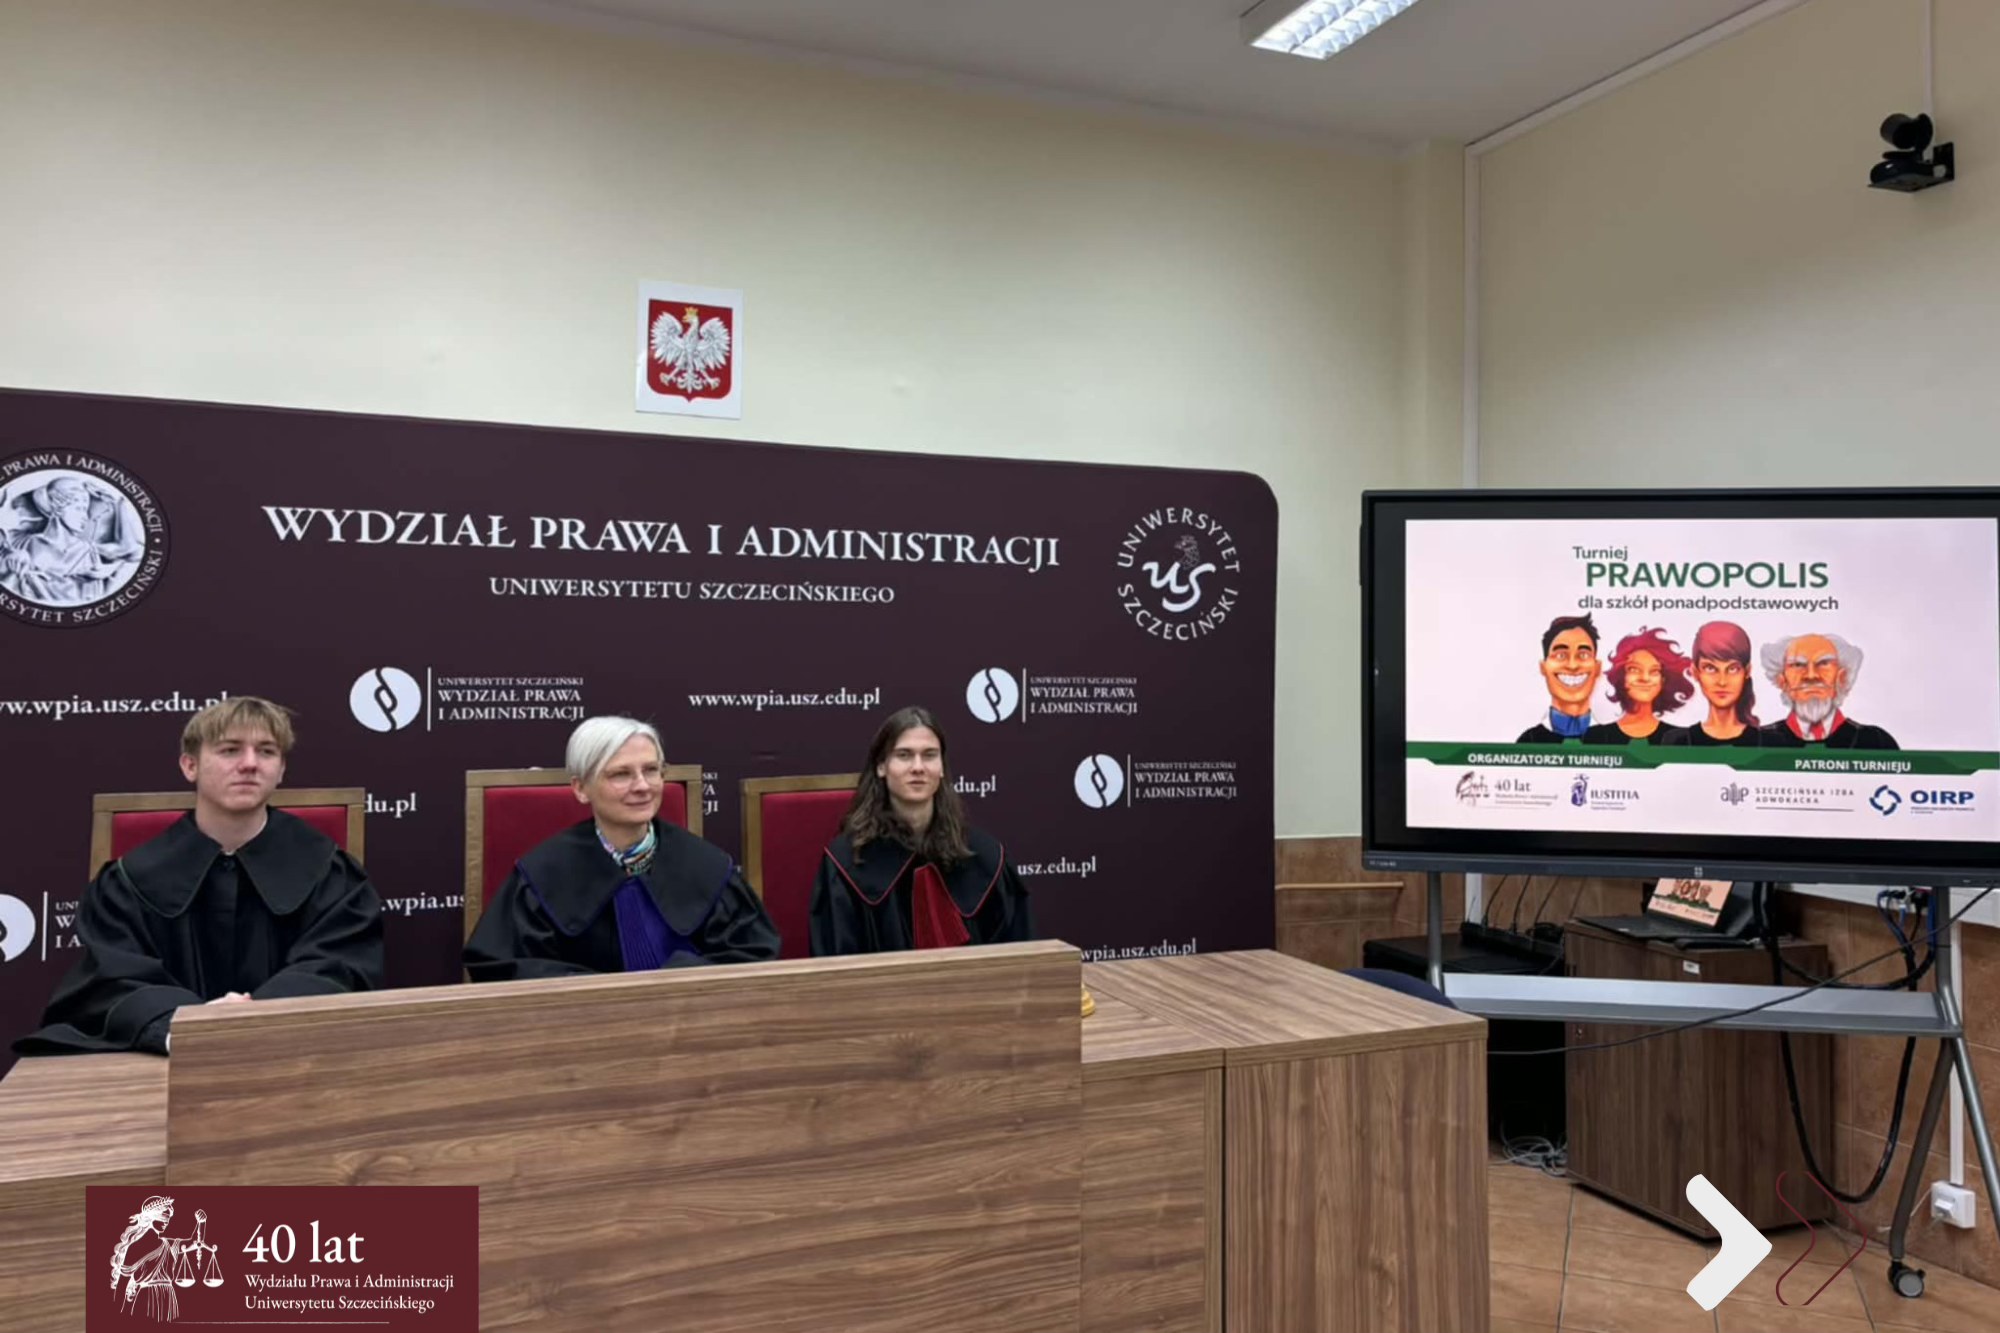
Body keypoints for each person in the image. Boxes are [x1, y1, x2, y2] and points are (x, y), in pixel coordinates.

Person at [14, 698, 383, 1057]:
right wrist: (188, 1026)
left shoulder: (330, 872)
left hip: (294, 1058)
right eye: (230, 750)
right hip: (160, 1066)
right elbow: (113, 979)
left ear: (281, 769)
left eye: (267, 751)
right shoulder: (128, 881)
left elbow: (339, 966)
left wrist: (256, 1015)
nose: (250, 764)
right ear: (190, 765)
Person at [464, 716, 778, 979]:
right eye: (621, 774)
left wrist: (676, 980)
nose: (642, 786)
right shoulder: (542, 875)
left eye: (651, 770)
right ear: (581, 788)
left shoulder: (707, 866)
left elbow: (753, 956)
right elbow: (502, 966)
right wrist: (598, 994)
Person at [812, 705, 1033, 955]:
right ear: (881, 766)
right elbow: (835, 966)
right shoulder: (845, 864)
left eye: (929, 755)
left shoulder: (986, 858)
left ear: (941, 767)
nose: (918, 767)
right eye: (904, 755)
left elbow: (1021, 958)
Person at [1756, 632, 1899, 749]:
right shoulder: (1760, 742)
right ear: (1782, 680)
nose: (1811, 675)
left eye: (1824, 663)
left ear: (1842, 677)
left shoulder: (1876, 742)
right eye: (1798, 665)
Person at [1660, 620, 1762, 746]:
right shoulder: (1677, 741)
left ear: (1747, 671)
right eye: (1710, 668)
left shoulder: (1770, 741)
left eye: (1732, 669)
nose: (1722, 681)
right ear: (1695, 672)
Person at [1583, 627, 1693, 745]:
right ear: (1622, 675)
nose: (1644, 678)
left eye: (1654, 671)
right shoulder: (1593, 737)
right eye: (1634, 669)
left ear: (1663, 679)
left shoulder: (1681, 739)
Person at [1516, 614, 1602, 743]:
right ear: (1543, 667)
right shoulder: (1529, 741)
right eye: (1560, 655)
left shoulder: (1612, 741)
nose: (1572, 666)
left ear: (1597, 668)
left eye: (1584, 655)